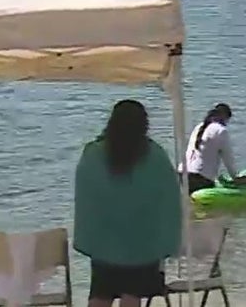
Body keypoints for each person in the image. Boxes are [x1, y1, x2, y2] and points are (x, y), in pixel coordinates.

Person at [74, 100, 180, 307]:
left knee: (100, 295)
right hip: (142, 244)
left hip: (104, 243)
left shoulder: (94, 153)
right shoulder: (155, 156)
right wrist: (167, 241)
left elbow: (86, 196)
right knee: (132, 295)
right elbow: (169, 200)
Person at [180, 103, 236, 194]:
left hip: (181, 174)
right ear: (225, 116)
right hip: (200, 179)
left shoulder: (198, 127)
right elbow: (228, 160)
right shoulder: (221, 131)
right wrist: (236, 179)